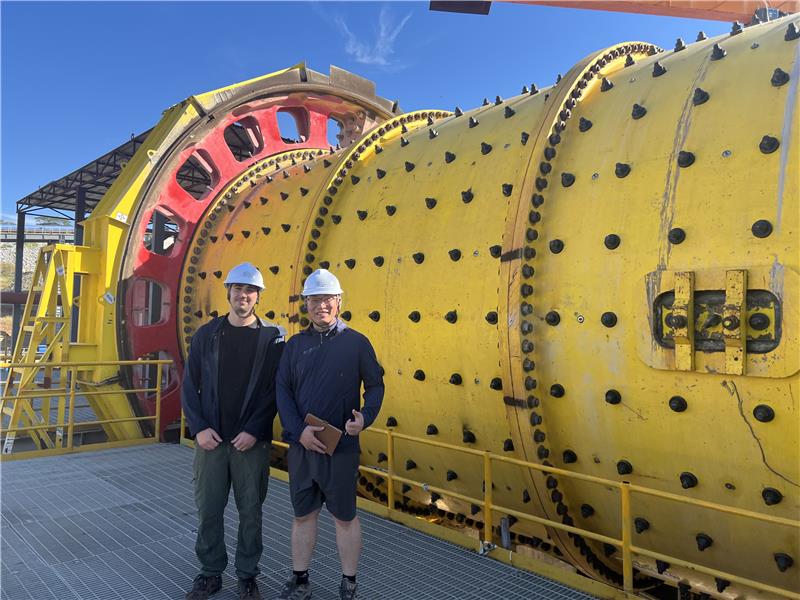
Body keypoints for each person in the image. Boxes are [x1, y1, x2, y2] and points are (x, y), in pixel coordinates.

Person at [276, 269, 384, 600]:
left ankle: (349, 583)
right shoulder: (295, 346)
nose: (320, 305)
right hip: (303, 448)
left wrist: (365, 418)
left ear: (338, 302)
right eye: (314, 300)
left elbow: (375, 386)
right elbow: (282, 391)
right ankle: (300, 579)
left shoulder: (357, 343)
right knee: (303, 516)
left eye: (326, 299)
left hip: (342, 448)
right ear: (306, 304)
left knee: (345, 518)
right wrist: (299, 432)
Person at [182, 262, 285, 600]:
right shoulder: (207, 334)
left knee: (251, 512)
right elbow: (189, 385)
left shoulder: (273, 338)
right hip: (211, 441)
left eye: (250, 290)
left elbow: (275, 391)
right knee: (208, 510)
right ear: (228, 292)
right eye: (238, 289)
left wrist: (255, 429)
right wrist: (199, 428)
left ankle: (247, 575)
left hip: (250, 444)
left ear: (258, 296)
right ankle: (210, 572)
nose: (244, 295)